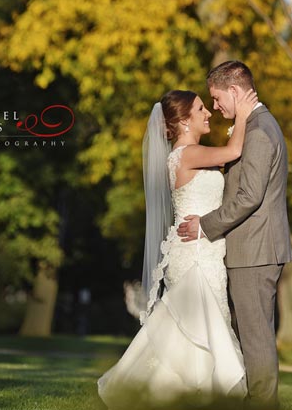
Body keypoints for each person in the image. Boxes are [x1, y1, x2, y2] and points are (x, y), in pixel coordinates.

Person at [97, 86, 258, 408]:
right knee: (199, 326)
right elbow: (234, 150)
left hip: (202, 250)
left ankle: (183, 395)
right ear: (184, 121)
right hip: (196, 254)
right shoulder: (187, 153)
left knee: (192, 328)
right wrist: (243, 113)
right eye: (201, 109)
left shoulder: (187, 154)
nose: (208, 113)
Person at [177, 61, 292, 407]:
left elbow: (249, 197)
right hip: (254, 249)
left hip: (255, 251)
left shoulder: (258, 131)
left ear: (234, 91)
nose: (215, 107)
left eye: (216, 98)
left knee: (255, 339)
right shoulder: (256, 125)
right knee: (249, 335)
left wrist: (205, 225)